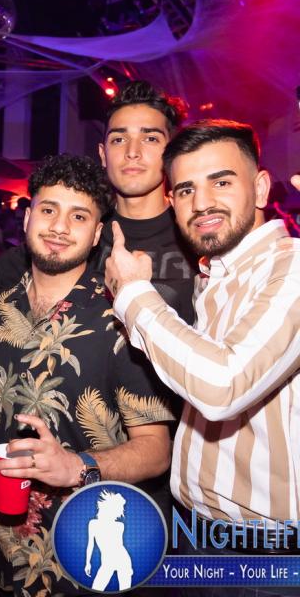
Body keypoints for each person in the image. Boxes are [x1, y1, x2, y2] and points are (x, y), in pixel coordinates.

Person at [0, 154, 174, 596]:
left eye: (78, 216)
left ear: (97, 234)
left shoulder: (124, 321)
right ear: (28, 217)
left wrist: (77, 467)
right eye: (49, 210)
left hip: (75, 563)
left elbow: (156, 450)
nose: (59, 227)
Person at [105, 120, 300, 590]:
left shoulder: (292, 266)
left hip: (265, 554)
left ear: (260, 188)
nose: (202, 203)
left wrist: (133, 293)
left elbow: (221, 387)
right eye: (186, 189)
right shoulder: (213, 277)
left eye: (222, 182)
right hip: (196, 533)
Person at [0, 80, 196, 323]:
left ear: (172, 153)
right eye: (118, 139)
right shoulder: (79, 228)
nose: (132, 151)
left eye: (150, 138)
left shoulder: (197, 232)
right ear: (103, 154)